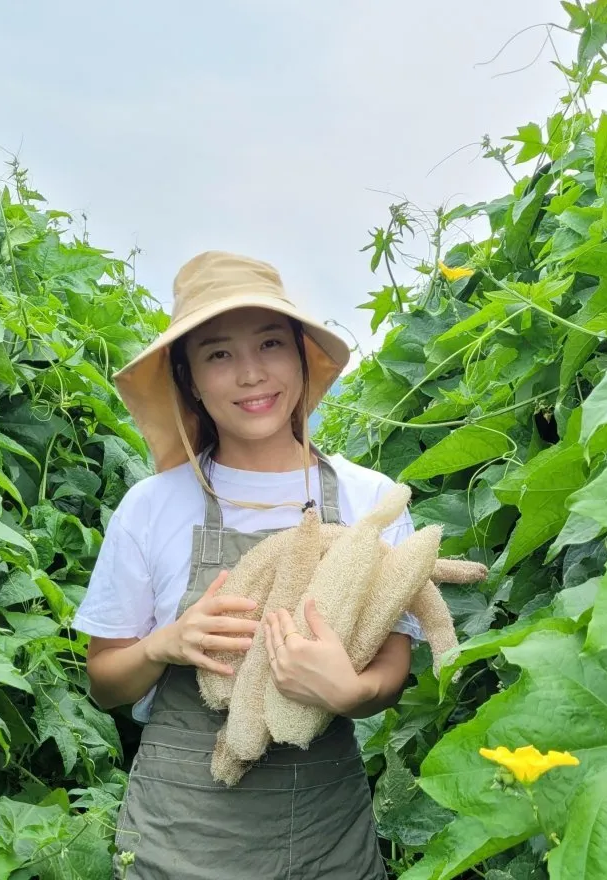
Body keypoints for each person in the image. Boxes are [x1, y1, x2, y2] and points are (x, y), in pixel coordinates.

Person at [71, 250, 424, 879]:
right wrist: (165, 646)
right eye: (219, 354)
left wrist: (352, 690)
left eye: (270, 343)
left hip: (327, 840)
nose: (252, 374)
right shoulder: (152, 507)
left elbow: (394, 667)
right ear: (188, 379)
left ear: (300, 357)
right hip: (180, 841)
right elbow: (104, 683)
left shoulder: (372, 499)